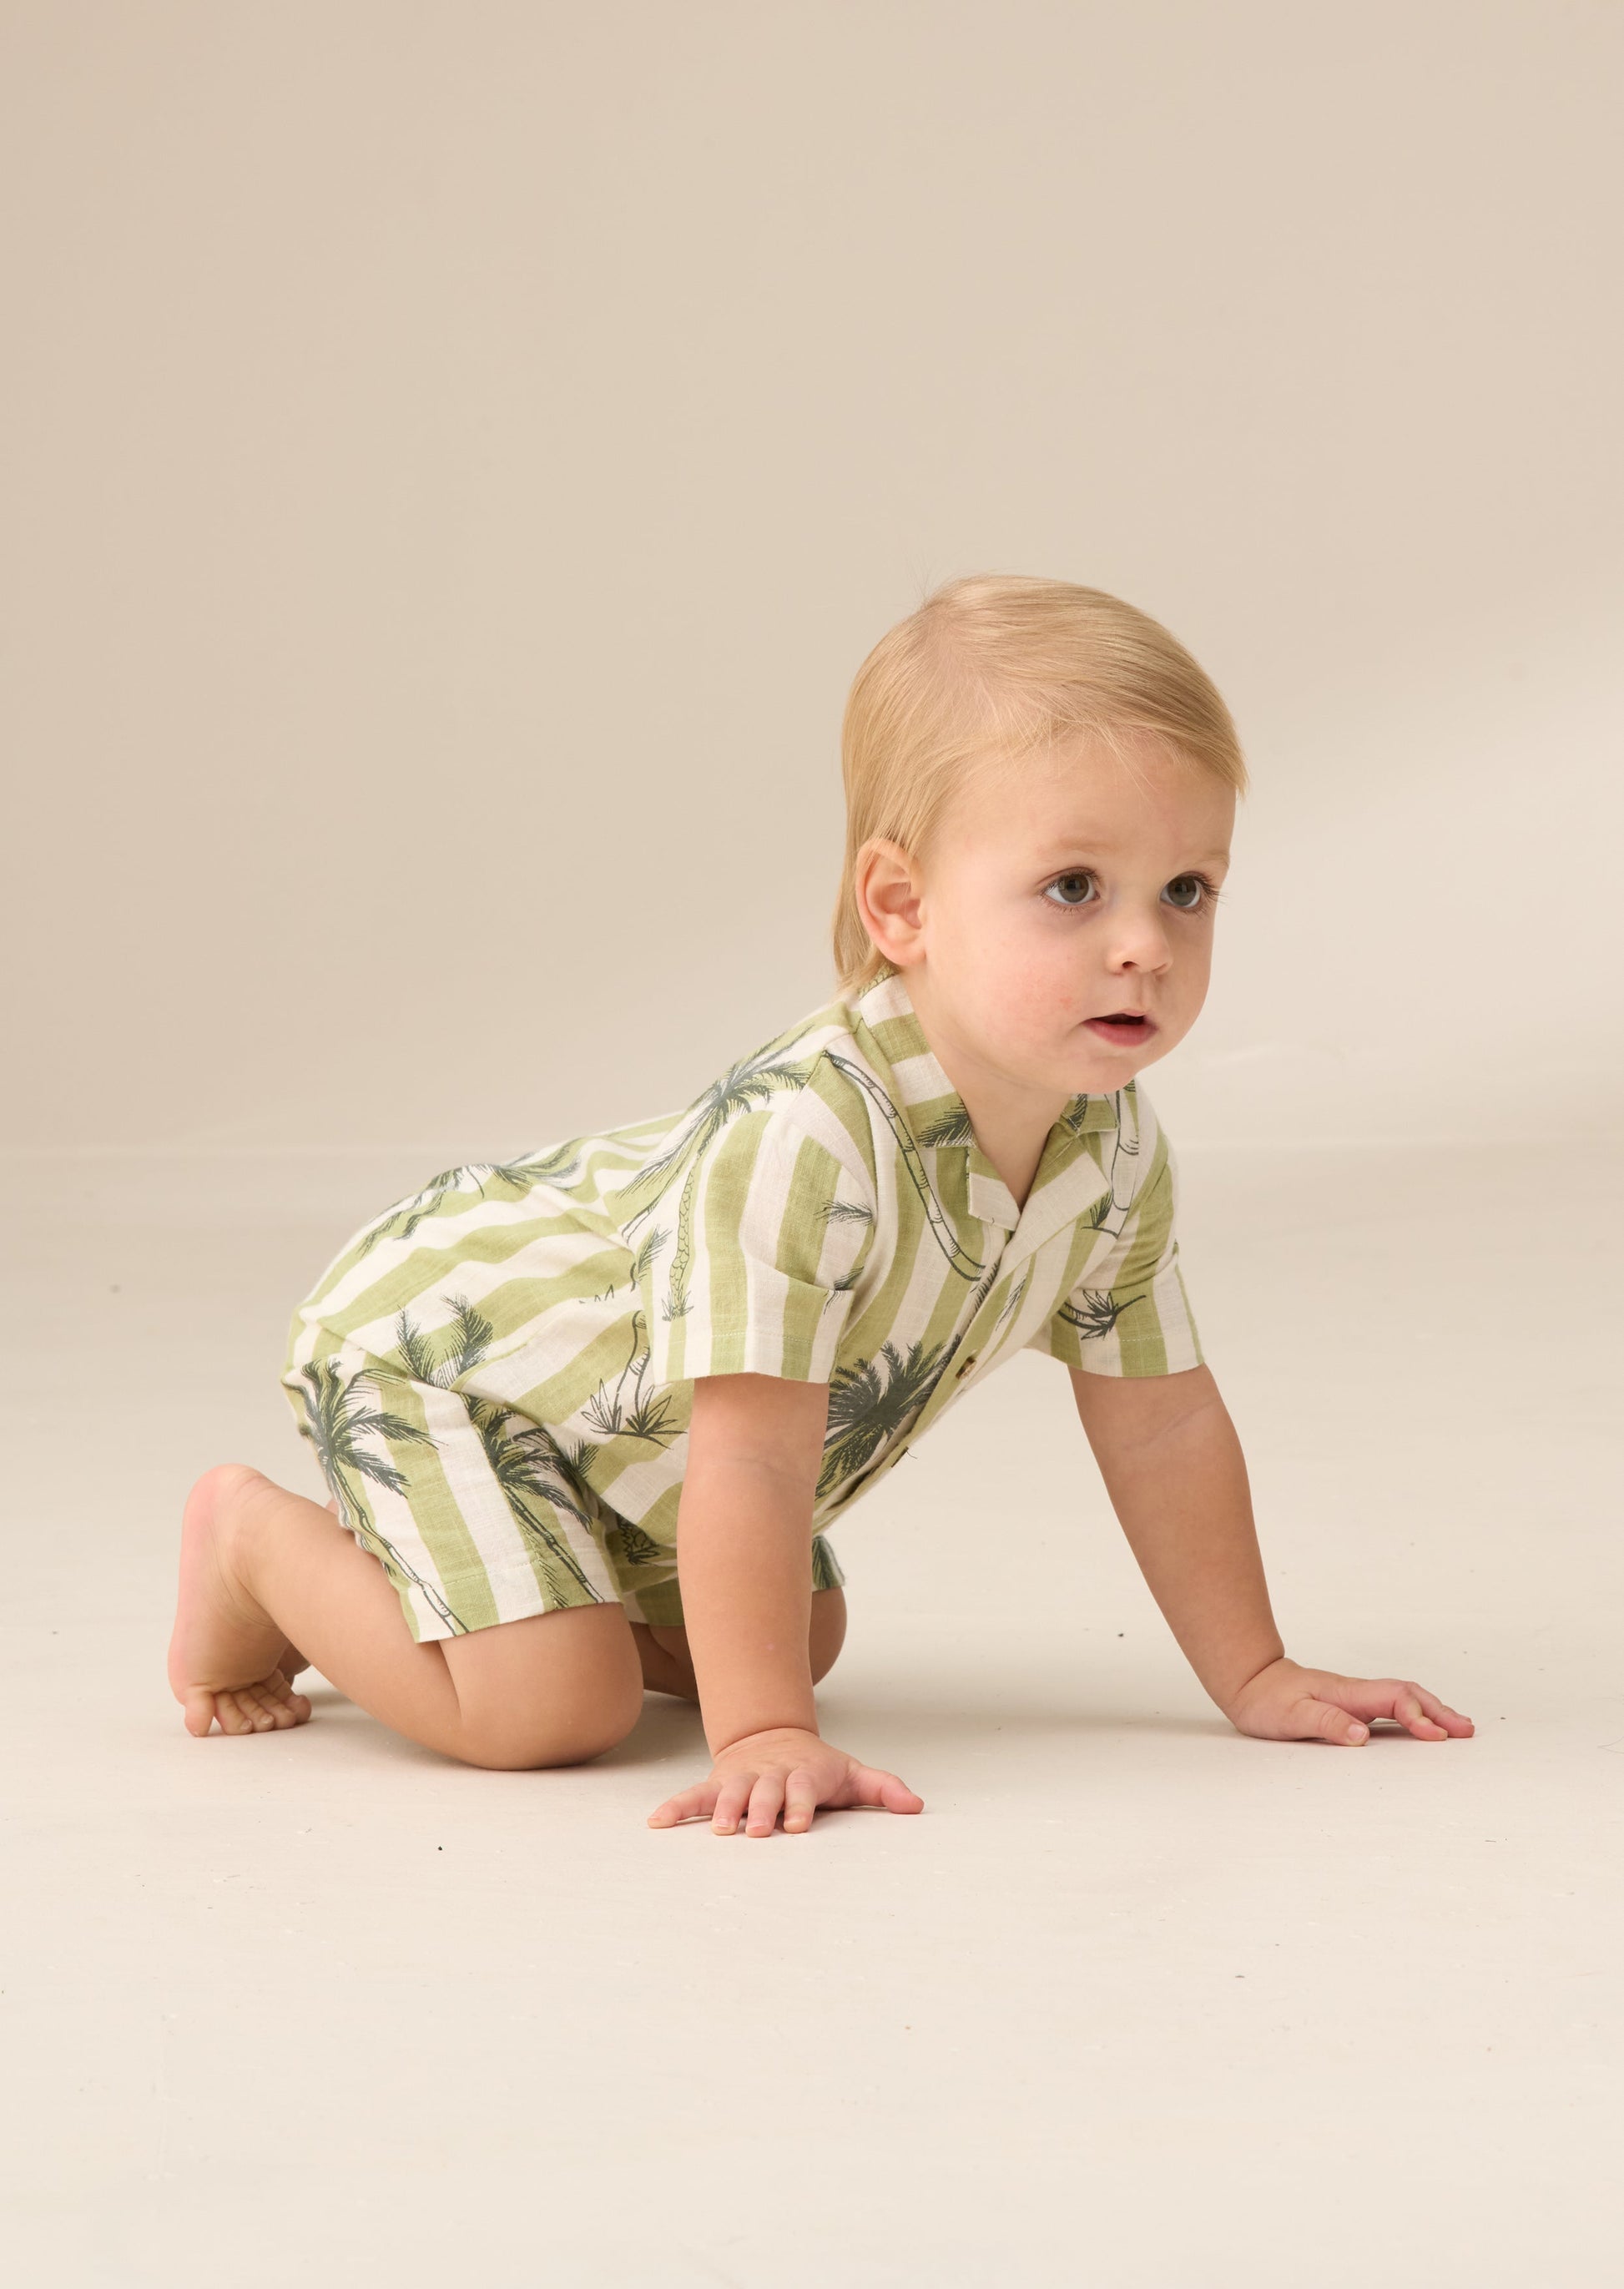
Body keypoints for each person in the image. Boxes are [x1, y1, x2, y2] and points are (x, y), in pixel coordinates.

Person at [168, 574, 1473, 1833]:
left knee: (804, 1633)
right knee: (553, 1709)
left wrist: (1254, 1674)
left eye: (1185, 889)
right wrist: (762, 1736)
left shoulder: (1110, 1148)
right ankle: (252, 1541)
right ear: (901, 906)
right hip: (451, 1361)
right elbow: (748, 1457)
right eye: (1073, 888)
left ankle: (517, 1578)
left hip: (632, 1441)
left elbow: (1162, 1422)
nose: (1144, 944)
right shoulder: (810, 1137)